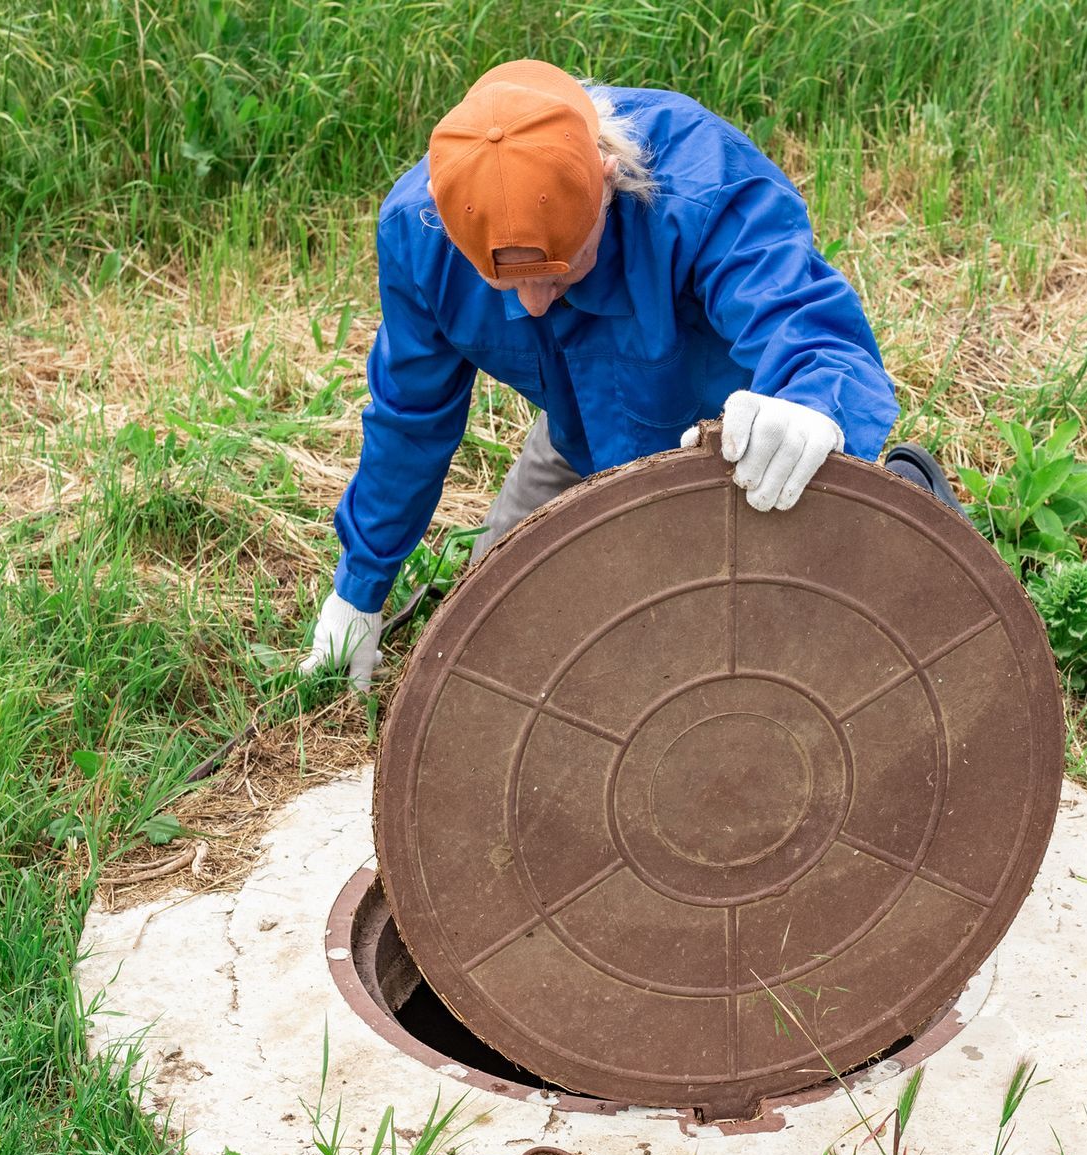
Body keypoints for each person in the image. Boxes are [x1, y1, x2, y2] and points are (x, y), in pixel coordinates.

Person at [303, 59, 963, 688]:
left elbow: (806, 323)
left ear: (610, 181)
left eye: (560, 272)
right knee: (489, 642)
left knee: (780, 650)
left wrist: (813, 405)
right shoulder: (421, 233)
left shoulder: (700, 182)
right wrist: (359, 591)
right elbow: (410, 421)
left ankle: (902, 498)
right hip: (584, 441)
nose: (533, 305)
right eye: (508, 284)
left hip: (739, 447)